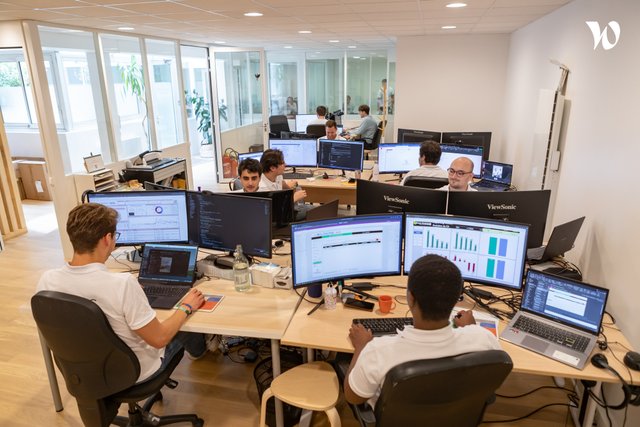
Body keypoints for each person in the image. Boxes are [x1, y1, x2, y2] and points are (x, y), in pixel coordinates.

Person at [36, 203, 213, 383]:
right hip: (134, 373)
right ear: (107, 239)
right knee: (181, 322)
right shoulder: (122, 284)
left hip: (84, 373)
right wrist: (186, 306)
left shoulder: (47, 280)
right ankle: (200, 352)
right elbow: (160, 339)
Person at [344, 254, 500, 407]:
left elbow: (353, 397)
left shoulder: (378, 351)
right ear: (456, 299)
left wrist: (361, 348)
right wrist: (471, 329)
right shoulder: (484, 339)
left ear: (411, 298)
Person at [259, 149, 309, 220]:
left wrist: (290, 186)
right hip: (278, 216)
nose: (285, 165)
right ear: (272, 168)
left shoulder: (277, 175)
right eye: (282, 163)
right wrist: (293, 198)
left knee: (298, 189)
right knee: (316, 211)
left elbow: (283, 185)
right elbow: (273, 212)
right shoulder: (262, 187)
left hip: (285, 207)